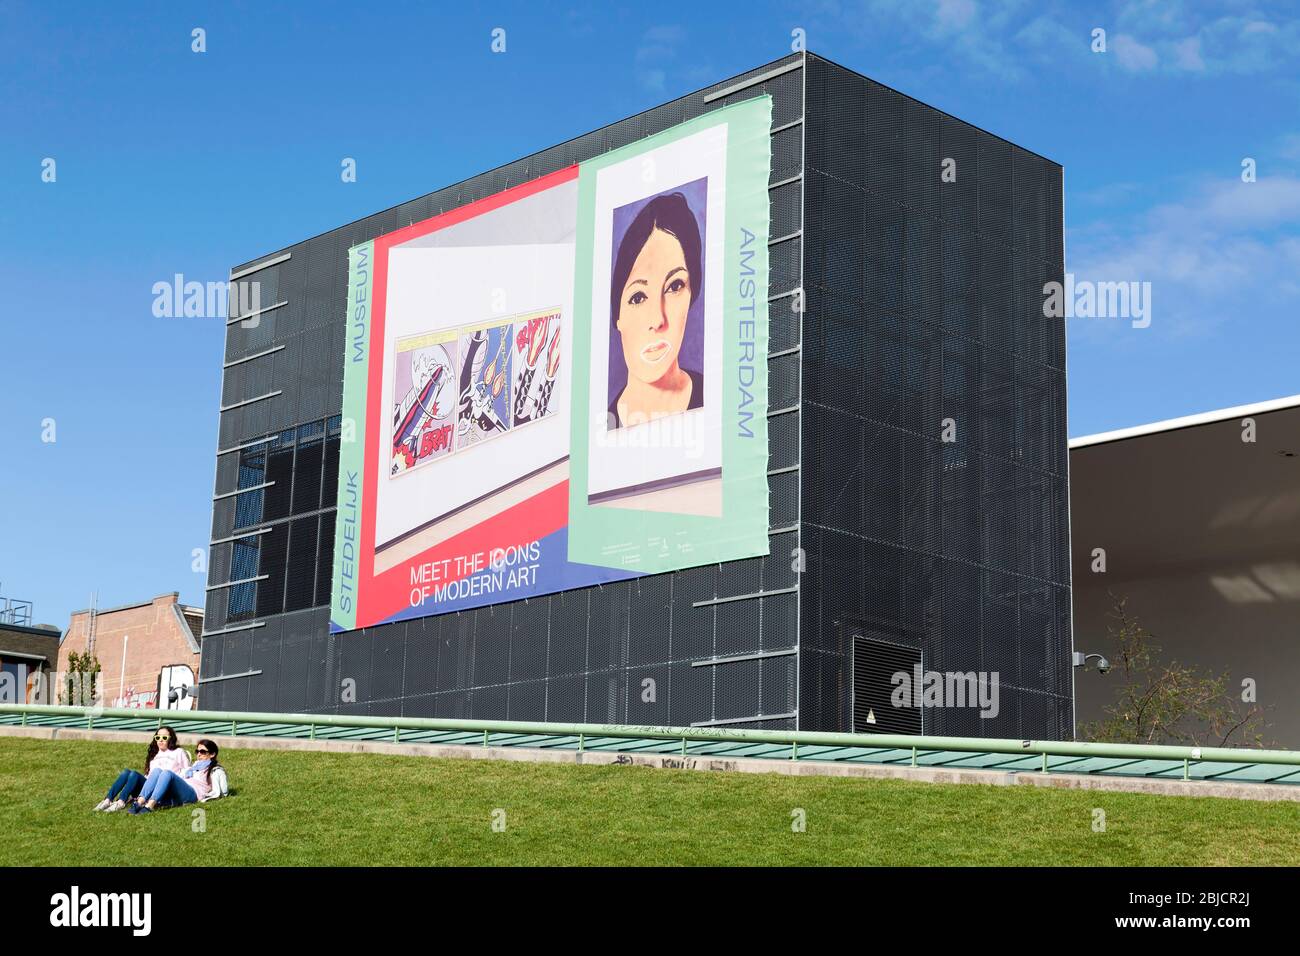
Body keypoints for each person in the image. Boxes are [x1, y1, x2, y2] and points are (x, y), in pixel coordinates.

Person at [608, 191, 705, 429]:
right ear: (617, 315)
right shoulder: (601, 428)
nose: (657, 319)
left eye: (675, 286)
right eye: (638, 297)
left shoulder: (720, 399)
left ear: (692, 293)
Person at [94, 726, 190, 813]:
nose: (160, 740)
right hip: (148, 788)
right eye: (158, 737)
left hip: (166, 789)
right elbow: (148, 775)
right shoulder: (155, 754)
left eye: (164, 737)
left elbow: (187, 772)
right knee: (126, 772)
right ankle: (108, 800)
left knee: (134, 774)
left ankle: (121, 802)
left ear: (171, 739)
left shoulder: (179, 752)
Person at [128, 738, 228, 814]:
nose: (199, 754)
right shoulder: (195, 765)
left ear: (212, 754)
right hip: (183, 787)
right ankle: (139, 802)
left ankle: (150, 806)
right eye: (197, 751)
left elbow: (224, 790)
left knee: (167, 773)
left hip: (193, 793)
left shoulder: (215, 769)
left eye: (202, 752)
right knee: (157, 771)